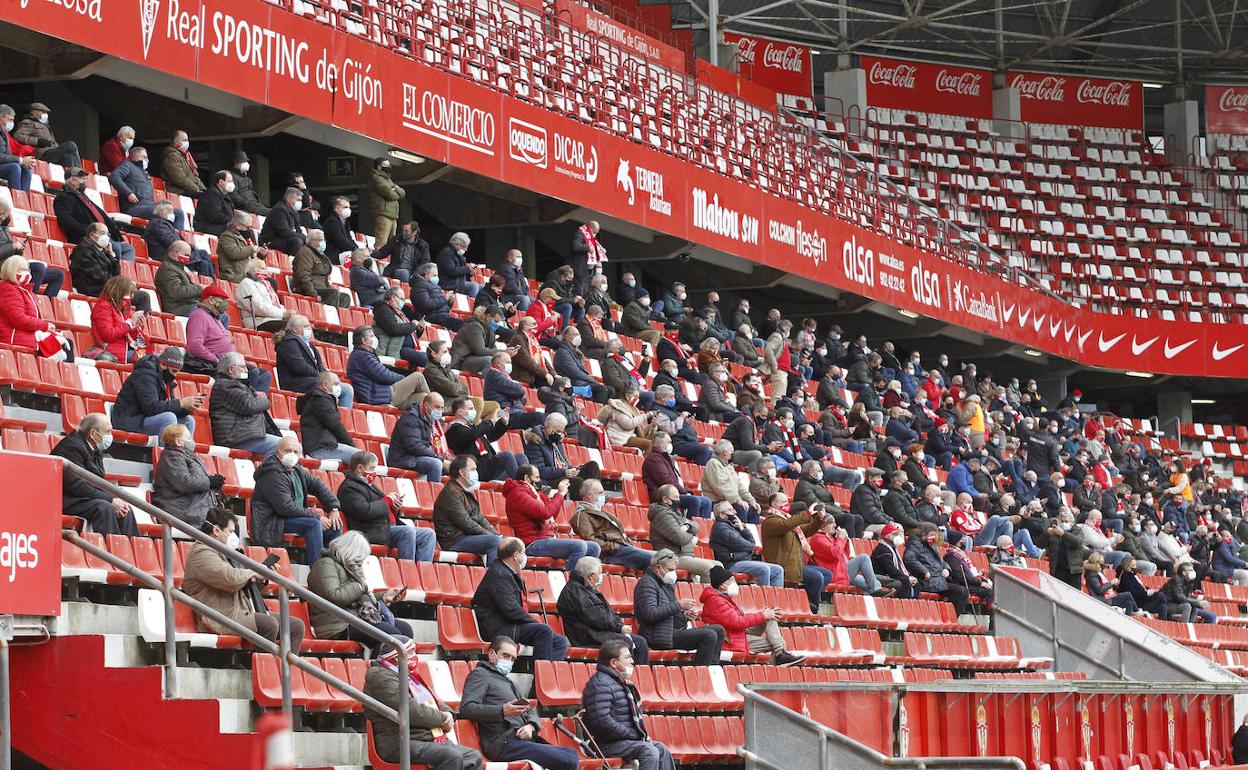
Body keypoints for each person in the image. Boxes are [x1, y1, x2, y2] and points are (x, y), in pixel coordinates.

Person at [184, 508, 306, 650]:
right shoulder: (201, 553)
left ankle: (284, 670)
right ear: (217, 531)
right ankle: (262, 668)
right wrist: (256, 571)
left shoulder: (224, 552)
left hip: (239, 610)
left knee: (295, 626)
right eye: (230, 531)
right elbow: (231, 579)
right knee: (269, 624)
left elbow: (244, 585)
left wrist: (262, 577)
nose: (233, 536)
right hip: (219, 615)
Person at [364, 637, 484, 770]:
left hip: (424, 738)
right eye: (409, 652)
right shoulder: (379, 675)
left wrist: (450, 715)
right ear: (395, 657)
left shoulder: (409, 676)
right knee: (452, 756)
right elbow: (410, 709)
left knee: (473, 756)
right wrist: (442, 718)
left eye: (414, 652)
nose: (414, 657)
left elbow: (435, 701)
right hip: (398, 741)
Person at [461, 637, 580, 770]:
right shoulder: (480, 674)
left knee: (571, 754)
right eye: (506, 656)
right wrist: (502, 711)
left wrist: (531, 726)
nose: (509, 662)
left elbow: (529, 709)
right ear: (491, 654)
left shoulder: (509, 681)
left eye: (513, 659)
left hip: (521, 739)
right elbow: (467, 708)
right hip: (503, 742)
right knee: (567, 760)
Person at [581, 639, 677, 770]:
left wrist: (634, 736)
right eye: (627, 657)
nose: (632, 661)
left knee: (661, 749)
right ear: (613, 663)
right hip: (606, 744)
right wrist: (632, 734)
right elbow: (602, 721)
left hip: (623, 741)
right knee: (649, 751)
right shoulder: (600, 684)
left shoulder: (619, 682)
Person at [308, 530, 412, 649]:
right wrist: (359, 586)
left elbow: (360, 596)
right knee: (391, 634)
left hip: (355, 618)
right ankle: (377, 666)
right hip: (336, 625)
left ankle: (393, 666)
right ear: (350, 552)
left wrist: (383, 597)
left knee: (406, 630)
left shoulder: (349, 567)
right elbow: (334, 596)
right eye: (359, 558)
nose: (361, 562)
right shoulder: (325, 564)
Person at [471, 537, 569, 660]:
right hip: (498, 628)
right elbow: (511, 610)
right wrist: (534, 623)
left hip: (510, 625)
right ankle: (540, 677)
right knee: (543, 631)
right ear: (516, 556)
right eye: (523, 552)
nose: (525, 556)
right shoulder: (499, 574)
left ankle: (548, 677)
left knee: (560, 642)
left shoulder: (507, 572)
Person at [250, 436, 343, 563]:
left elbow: (319, 486)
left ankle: (331, 567)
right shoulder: (271, 473)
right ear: (278, 453)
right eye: (288, 451)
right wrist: (316, 517)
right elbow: (285, 507)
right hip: (273, 521)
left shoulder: (296, 469)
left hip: (293, 517)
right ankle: (318, 571)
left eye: (295, 452)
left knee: (334, 526)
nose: (292, 454)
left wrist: (333, 508)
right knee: (313, 524)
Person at [51, 414, 140, 536]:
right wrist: (110, 499)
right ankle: (111, 552)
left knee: (124, 508)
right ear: (93, 433)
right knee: (105, 507)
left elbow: (97, 482)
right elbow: (76, 486)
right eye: (108, 431)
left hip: (81, 497)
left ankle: (128, 552)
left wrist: (116, 496)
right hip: (64, 498)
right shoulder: (71, 446)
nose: (110, 435)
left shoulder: (94, 449)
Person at [338, 451, 435, 562]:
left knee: (428, 534)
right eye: (372, 468)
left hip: (385, 527)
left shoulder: (366, 484)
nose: (374, 472)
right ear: (360, 468)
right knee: (407, 532)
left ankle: (422, 572)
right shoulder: (349, 488)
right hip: (370, 530)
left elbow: (383, 506)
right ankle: (409, 572)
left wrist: (394, 507)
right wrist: (387, 501)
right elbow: (364, 512)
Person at [700, 565, 805, 666]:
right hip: (730, 641)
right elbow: (737, 622)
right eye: (731, 581)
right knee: (777, 642)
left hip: (739, 634)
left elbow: (739, 620)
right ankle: (780, 654)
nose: (735, 583)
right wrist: (762, 615)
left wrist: (765, 614)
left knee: (770, 616)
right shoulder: (715, 601)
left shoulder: (723, 598)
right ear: (722, 585)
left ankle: (780, 654)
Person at [633, 550, 724, 664]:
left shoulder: (665, 583)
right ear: (657, 568)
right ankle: (702, 674)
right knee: (709, 635)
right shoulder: (646, 584)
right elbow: (650, 614)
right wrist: (679, 605)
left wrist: (685, 615)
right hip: (658, 636)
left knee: (719, 630)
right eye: (670, 570)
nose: (673, 573)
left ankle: (712, 670)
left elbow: (669, 611)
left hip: (671, 631)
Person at [504, 465, 601, 572]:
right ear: (527, 478)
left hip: (545, 537)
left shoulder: (536, 493)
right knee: (580, 546)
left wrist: (559, 496)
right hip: (532, 543)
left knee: (594, 548)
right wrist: (560, 494)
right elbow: (545, 512)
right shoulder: (518, 493)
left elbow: (551, 514)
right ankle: (572, 584)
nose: (539, 481)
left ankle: (585, 584)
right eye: (536, 477)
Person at [557, 557, 649, 661]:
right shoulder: (575, 591)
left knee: (639, 641)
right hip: (587, 637)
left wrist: (619, 625)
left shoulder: (586, 589)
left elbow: (606, 613)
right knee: (627, 643)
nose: (601, 577)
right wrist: (618, 628)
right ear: (591, 576)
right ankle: (628, 674)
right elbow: (596, 618)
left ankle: (640, 675)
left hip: (597, 633)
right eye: (600, 573)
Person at [110, 346, 199, 437]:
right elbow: (150, 408)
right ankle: (166, 451)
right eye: (174, 371)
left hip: (143, 418)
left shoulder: (166, 378)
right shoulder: (145, 374)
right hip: (130, 420)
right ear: (163, 365)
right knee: (168, 418)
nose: (175, 375)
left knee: (188, 420)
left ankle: (184, 451)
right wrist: (180, 403)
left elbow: (164, 407)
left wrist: (185, 409)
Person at [570, 479, 654, 571]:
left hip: (622, 548)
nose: (604, 496)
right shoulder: (582, 515)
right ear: (590, 495)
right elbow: (590, 541)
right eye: (600, 493)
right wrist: (614, 546)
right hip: (610, 554)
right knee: (657, 559)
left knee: (663, 557)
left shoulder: (602, 512)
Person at [53, 167, 134, 261]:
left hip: (103, 236)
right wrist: (89, 232)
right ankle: (112, 273)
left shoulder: (84, 198)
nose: (84, 181)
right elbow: (66, 220)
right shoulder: (64, 197)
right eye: (81, 178)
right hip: (86, 238)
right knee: (115, 247)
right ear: (72, 179)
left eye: (85, 179)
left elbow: (102, 217)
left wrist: (117, 236)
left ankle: (122, 273)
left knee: (128, 249)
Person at [433, 455, 501, 564]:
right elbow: (467, 524)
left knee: (510, 543)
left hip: (466, 536)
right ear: (462, 473)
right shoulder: (451, 494)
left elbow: (479, 518)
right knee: (495, 542)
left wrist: (497, 534)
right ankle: (494, 579)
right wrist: (493, 536)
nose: (476, 473)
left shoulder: (464, 491)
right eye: (473, 470)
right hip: (454, 541)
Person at [209, 353, 281, 455]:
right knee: (281, 446)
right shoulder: (225, 385)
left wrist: (258, 398)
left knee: (288, 444)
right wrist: (265, 399)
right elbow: (250, 405)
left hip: (243, 436)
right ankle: (269, 471)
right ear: (230, 370)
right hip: (236, 438)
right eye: (243, 367)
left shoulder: (238, 385)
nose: (246, 371)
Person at [152, 423, 221, 527]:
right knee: (222, 526)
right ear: (178, 442)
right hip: (183, 510)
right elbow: (184, 482)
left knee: (230, 523)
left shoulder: (190, 457)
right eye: (189, 438)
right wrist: (210, 482)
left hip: (194, 508)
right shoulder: (171, 456)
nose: (192, 441)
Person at [647, 485, 719, 582]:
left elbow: (696, 526)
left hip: (685, 555)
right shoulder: (662, 515)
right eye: (676, 497)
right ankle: (707, 596)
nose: (679, 500)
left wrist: (687, 527)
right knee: (709, 569)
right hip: (672, 557)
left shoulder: (675, 512)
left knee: (719, 566)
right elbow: (680, 538)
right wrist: (691, 535)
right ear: (665, 500)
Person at [347, 326, 430, 409]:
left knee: (423, 397)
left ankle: (435, 412)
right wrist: (405, 380)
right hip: (378, 397)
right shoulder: (362, 355)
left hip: (384, 394)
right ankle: (435, 404)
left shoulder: (364, 354)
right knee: (418, 377)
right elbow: (384, 375)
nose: (376, 338)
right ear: (364, 341)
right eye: (372, 336)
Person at [277, 315, 352, 405]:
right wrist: (322, 377)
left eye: (309, 326)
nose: (309, 329)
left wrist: (329, 376)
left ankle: (339, 416)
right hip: (296, 383)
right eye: (305, 326)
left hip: (310, 380)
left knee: (342, 387)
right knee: (345, 389)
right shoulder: (289, 343)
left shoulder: (309, 345)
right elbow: (300, 367)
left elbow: (319, 365)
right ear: (295, 329)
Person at [445, 397, 521, 482]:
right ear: (460, 412)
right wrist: (491, 421)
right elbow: (472, 435)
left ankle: (526, 486)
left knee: (520, 457)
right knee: (507, 456)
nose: (474, 411)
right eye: (471, 408)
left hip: (488, 466)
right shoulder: (454, 429)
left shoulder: (471, 428)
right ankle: (521, 487)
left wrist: (503, 423)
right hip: (476, 469)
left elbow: (490, 437)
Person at [709, 501, 784, 587]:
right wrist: (747, 551)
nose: (735, 512)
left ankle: (775, 599)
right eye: (730, 510)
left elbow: (751, 543)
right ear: (722, 515)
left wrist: (742, 529)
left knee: (778, 569)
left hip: (742, 560)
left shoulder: (734, 526)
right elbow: (748, 545)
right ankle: (763, 599)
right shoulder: (721, 528)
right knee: (764, 569)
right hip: (731, 564)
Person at [110, 146, 187, 228]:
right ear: (136, 156)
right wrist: (128, 193)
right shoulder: (127, 165)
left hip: (149, 208)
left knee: (178, 212)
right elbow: (114, 177)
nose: (147, 160)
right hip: (134, 208)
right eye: (144, 157)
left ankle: (177, 239)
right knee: (170, 213)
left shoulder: (144, 173)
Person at [905, 522, 971, 615]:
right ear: (924, 534)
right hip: (928, 581)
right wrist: (924, 571)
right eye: (932, 535)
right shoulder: (915, 543)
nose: (934, 538)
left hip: (937, 579)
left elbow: (941, 561)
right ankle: (949, 618)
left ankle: (951, 619)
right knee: (960, 592)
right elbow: (909, 559)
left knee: (964, 591)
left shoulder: (931, 544)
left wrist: (947, 569)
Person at [808, 519, 888, 595]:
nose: (835, 525)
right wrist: (840, 539)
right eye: (832, 523)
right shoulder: (817, 538)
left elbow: (844, 554)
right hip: (833, 573)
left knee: (875, 584)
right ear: (824, 525)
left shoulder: (828, 537)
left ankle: (874, 595)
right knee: (864, 558)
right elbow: (836, 554)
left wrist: (844, 539)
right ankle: (874, 591)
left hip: (841, 570)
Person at [642, 432, 711, 519]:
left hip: (675, 493)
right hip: (663, 495)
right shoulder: (654, 459)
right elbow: (665, 480)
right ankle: (689, 528)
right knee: (694, 500)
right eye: (669, 442)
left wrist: (688, 491)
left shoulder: (664, 458)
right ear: (660, 444)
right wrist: (684, 492)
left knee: (706, 501)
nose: (671, 445)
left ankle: (703, 530)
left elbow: (677, 479)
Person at [1, 201, 62, 297]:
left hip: (13, 265)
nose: (6, 218)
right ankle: (31, 299)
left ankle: (43, 305)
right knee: (38, 268)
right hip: (4, 269)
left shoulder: (4, 229)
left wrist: (18, 250)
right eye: (6, 215)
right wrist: (12, 247)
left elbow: (10, 254)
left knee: (58, 274)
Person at [388, 393, 450, 481]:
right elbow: (414, 446)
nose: (439, 411)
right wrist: (438, 458)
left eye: (441, 408)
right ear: (426, 404)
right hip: (404, 458)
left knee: (456, 466)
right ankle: (435, 493)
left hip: (419, 457)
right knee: (436, 464)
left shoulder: (433, 420)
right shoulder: (411, 418)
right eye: (437, 407)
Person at [297, 371, 357, 462]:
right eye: (336, 384)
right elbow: (334, 424)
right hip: (320, 450)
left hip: (327, 446)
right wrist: (351, 444)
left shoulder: (321, 398)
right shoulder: (319, 399)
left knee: (364, 457)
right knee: (362, 458)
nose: (339, 387)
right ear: (325, 385)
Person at [702, 440, 762, 524]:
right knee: (740, 509)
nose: (732, 453)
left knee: (754, 509)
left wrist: (751, 500)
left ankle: (750, 535)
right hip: (717, 502)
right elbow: (720, 486)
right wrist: (738, 500)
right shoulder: (713, 463)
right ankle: (741, 533)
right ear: (725, 452)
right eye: (731, 451)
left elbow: (739, 486)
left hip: (731, 500)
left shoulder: (729, 466)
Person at [89, 276, 145, 362]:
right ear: (118, 292)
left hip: (128, 350)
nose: (129, 298)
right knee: (154, 360)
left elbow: (131, 337)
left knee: (156, 357)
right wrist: (130, 323)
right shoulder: (102, 308)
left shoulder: (121, 309)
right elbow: (108, 335)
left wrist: (137, 326)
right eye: (127, 294)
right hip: (113, 353)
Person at [552, 326, 613, 403]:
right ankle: (598, 413)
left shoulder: (575, 352)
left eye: (579, 334)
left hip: (581, 382)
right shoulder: (563, 352)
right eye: (575, 334)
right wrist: (593, 381)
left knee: (610, 390)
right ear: (567, 337)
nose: (578, 337)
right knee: (600, 389)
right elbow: (575, 372)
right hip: (572, 384)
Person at [372, 286, 428, 367]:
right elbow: (393, 329)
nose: (403, 302)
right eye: (401, 299)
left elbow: (407, 330)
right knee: (424, 358)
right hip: (399, 348)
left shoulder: (399, 311)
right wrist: (413, 325)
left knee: (431, 357)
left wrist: (418, 329)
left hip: (407, 347)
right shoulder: (383, 310)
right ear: (393, 297)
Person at [292, 230, 349, 307]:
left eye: (324, 240)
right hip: (309, 290)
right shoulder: (305, 253)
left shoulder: (322, 256)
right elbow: (303, 276)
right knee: (333, 293)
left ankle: (338, 317)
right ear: (311, 241)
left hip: (323, 289)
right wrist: (313, 294)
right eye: (320, 240)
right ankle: (327, 317)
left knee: (345, 297)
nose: (323, 243)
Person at [13, 102, 80, 167]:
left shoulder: (45, 125)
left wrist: (58, 148)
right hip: (43, 154)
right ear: (35, 112)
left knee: (69, 158)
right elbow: (17, 136)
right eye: (43, 112)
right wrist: (37, 141)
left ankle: (73, 177)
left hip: (52, 153)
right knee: (70, 145)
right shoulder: (28, 123)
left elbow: (52, 142)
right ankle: (80, 172)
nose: (45, 114)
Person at [69, 222, 121, 302]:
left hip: (104, 288)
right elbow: (99, 276)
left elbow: (117, 273)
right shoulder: (84, 250)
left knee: (133, 294)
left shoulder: (103, 251)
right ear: (92, 236)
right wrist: (117, 283)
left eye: (107, 234)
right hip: (90, 289)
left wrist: (112, 255)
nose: (106, 237)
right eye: (102, 233)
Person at [234, 258, 287, 332]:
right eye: (262, 268)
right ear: (252, 270)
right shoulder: (246, 283)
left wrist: (287, 313)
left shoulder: (265, 284)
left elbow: (275, 305)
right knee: (291, 327)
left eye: (265, 269)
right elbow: (258, 308)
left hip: (271, 318)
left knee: (298, 323)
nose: (265, 271)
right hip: (258, 322)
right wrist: (283, 314)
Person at [154, 241, 205, 317]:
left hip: (187, 305)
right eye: (186, 255)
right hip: (178, 308)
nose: (188, 258)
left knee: (221, 315)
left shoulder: (177, 267)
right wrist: (200, 288)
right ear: (176, 253)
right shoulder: (168, 269)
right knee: (208, 314)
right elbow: (177, 292)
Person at [410, 263, 464, 331]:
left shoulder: (434, 286)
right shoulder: (419, 286)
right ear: (426, 275)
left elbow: (440, 304)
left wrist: (449, 302)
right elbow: (426, 305)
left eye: (437, 275)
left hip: (442, 315)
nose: (437, 278)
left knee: (470, 322)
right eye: (434, 275)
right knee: (463, 325)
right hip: (431, 316)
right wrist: (444, 298)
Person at [871, 523, 918, 599]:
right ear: (886, 536)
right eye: (894, 534)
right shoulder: (883, 549)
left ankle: (914, 603)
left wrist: (908, 577)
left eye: (897, 534)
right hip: (880, 577)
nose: (897, 536)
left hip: (889, 576)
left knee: (915, 582)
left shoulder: (893, 549)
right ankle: (904, 603)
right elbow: (890, 569)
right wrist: (906, 577)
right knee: (904, 581)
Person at [451, 306, 501, 374]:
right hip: (461, 360)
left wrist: (503, 355)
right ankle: (486, 384)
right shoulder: (474, 326)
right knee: (489, 361)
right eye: (495, 321)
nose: (497, 324)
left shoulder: (490, 330)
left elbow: (493, 348)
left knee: (501, 361)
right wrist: (503, 352)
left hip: (473, 358)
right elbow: (480, 351)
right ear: (488, 316)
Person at [217, 213, 265, 284]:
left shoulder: (242, 236)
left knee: (267, 280)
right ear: (238, 226)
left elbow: (250, 256)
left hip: (245, 273)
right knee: (260, 282)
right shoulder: (226, 236)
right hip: (233, 275)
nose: (250, 230)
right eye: (248, 227)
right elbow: (234, 253)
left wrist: (260, 254)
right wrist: (252, 249)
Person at [259, 187, 307, 256]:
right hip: (270, 240)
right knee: (297, 241)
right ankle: (291, 263)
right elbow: (285, 232)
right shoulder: (279, 210)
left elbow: (298, 229)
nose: (300, 203)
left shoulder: (294, 211)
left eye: (300, 200)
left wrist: (305, 238)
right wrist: (304, 237)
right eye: (298, 200)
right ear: (288, 199)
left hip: (282, 238)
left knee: (307, 242)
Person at [369, 157, 406, 245]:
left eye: (389, 165)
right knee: (381, 244)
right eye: (386, 165)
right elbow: (390, 194)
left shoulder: (388, 180)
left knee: (392, 245)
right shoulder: (376, 179)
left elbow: (403, 193)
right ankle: (379, 259)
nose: (389, 167)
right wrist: (394, 190)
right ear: (379, 167)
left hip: (392, 215)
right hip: (383, 214)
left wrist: (394, 188)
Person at [159, 130, 205, 197]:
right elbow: (179, 179)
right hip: (177, 191)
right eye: (184, 140)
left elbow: (194, 176)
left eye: (187, 140)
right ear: (175, 141)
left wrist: (203, 189)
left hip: (187, 190)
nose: (187, 142)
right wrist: (197, 189)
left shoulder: (185, 155)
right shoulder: (171, 156)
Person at [435, 232, 482, 297]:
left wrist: (470, 272)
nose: (466, 249)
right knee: (474, 286)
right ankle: (470, 305)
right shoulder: (446, 253)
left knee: (483, 288)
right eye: (464, 246)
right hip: (449, 285)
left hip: (460, 283)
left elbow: (461, 270)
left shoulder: (459, 254)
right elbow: (452, 271)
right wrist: (467, 268)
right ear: (456, 244)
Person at [0, 105, 35, 192]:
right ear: (1, 117)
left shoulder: (4, 132)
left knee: (26, 168)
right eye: (10, 120)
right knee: (14, 167)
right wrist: (20, 160)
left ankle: (23, 201)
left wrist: (24, 162)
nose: (12, 123)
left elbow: (7, 154)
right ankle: (16, 199)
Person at [568, 221, 606, 295]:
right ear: (590, 228)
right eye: (594, 232)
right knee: (580, 292)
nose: (595, 235)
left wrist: (600, 250)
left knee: (585, 291)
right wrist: (588, 248)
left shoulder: (590, 238)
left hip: (586, 270)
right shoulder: (579, 234)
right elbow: (575, 246)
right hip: (579, 269)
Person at [195, 170, 236, 237]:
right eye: (229, 181)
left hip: (221, 226)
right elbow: (214, 216)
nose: (232, 184)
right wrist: (232, 223)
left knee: (244, 229)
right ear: (220, 182)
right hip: (209, 227)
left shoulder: (226, 196)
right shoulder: (211, 195)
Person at [322, 197, 357, 262]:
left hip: (344, 253)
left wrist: (357, 249)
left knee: (363, 257)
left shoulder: (344, 221)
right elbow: (340, 240)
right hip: (335, 255)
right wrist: (354, 250)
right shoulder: (332, 221)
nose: (348, 209)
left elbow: (349, 238)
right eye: (345, 207)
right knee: (358, 259)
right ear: (336, 209)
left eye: (349, 207)